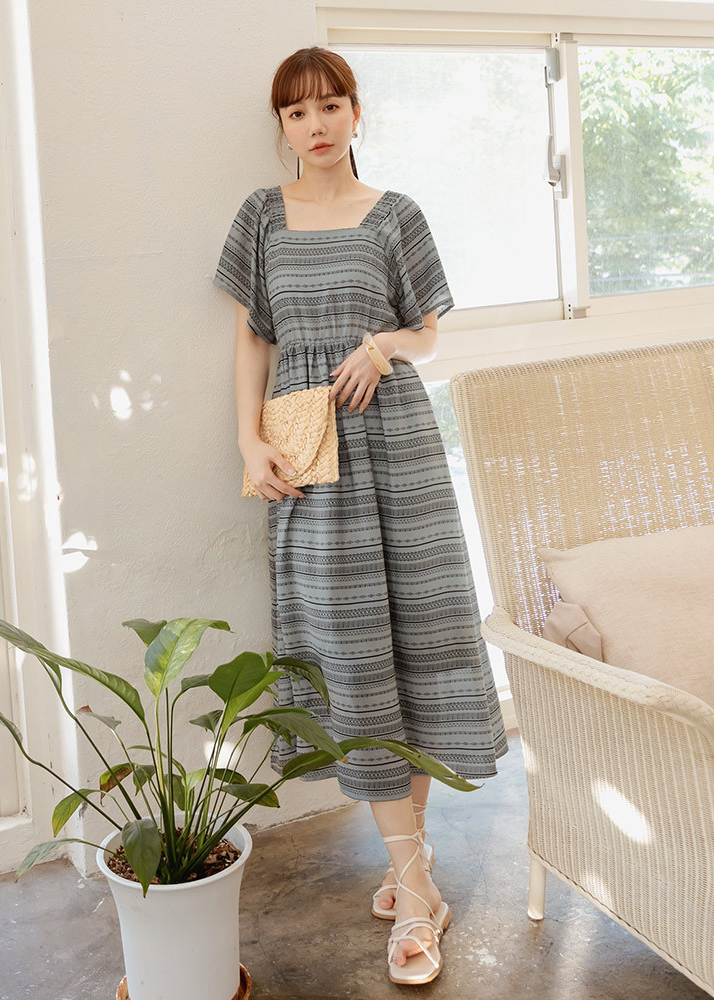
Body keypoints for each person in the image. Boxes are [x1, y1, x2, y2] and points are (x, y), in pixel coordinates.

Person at [212, 45, 508, 986]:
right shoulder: (262, 216)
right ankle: (415, 876)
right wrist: (248, 440)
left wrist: (383, 346)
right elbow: (251, 338)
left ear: (355, 112)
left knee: (416, 638)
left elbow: (430, 332)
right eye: (298, 112)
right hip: (308, 455)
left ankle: (412, 883)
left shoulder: (396, 213)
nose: (317, 125)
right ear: (281, 125)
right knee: (350, 648)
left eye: (331, 105)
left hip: (400, 447)